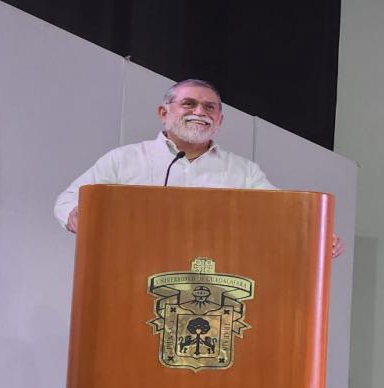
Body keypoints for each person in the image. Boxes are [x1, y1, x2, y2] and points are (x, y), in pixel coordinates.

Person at [54, 78, 344, 258]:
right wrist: (75, 216)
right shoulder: (125, 159)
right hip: (131, 277)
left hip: (213, 288)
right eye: (189, 104)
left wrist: (317, 236)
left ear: (219, 120)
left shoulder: (243, 171)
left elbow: (281, 217)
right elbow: (68, 201)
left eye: (209, 108)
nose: (199, 112)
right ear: (163, 113)